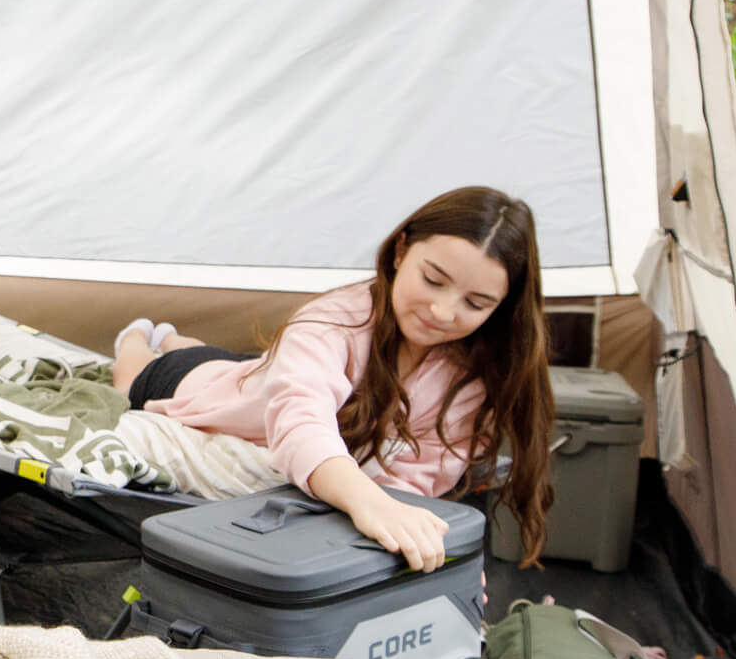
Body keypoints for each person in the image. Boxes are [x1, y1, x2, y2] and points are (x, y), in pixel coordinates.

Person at [109, 187, 553, 570]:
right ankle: (138, 335)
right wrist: (368, 503)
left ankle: (176, 339)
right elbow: (302, 423)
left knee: (239, 364)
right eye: (433, 280)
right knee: (133, 379)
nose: (443, 312)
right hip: (203, 389)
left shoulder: (472, 376)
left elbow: (419, 479)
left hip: (262, 378)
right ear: (400, 252)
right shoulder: (334, 321)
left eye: (475, 304)